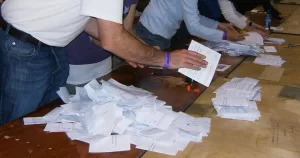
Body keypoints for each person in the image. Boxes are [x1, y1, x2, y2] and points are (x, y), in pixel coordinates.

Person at [0, 0, 207, 126]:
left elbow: (87, 22)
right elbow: (113, 39)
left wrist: (131, 51)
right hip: (23, 44)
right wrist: (166, 59)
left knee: (45, 118)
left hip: (50, 47)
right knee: (16, 121)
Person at [66, 0, 139, 85]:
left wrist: (146, 48)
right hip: (78, 62)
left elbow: (127, 29)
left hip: (105, 59)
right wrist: (136, 53)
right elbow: (99, 35)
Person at [136, 0, 246, 51]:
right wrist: (224, 36)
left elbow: (192, 16)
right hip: (151, 33)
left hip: (159, 32)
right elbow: (193, 27)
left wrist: (218, 25)